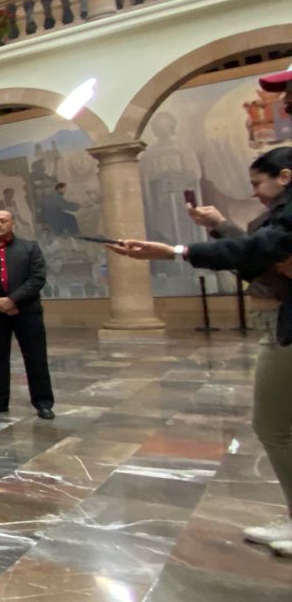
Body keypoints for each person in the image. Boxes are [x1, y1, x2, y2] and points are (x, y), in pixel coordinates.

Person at [109, 132, 292, 554]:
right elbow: (258, 254)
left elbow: (261, 250)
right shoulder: (279, 212)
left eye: (259, 184)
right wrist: (218, 226)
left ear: (284, 177)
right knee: (276, 425)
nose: (255, 193)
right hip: (279, 322)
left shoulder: (287, 212)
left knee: (273, 426)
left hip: (288, 325)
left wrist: (174, 250)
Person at [0, 209, 53, 419]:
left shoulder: (29, 248)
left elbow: (37, 277)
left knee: (35, 356)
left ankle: (43, 402)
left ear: (12, 223)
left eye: (3, 221)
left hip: (26, 311)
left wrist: (12, 300)